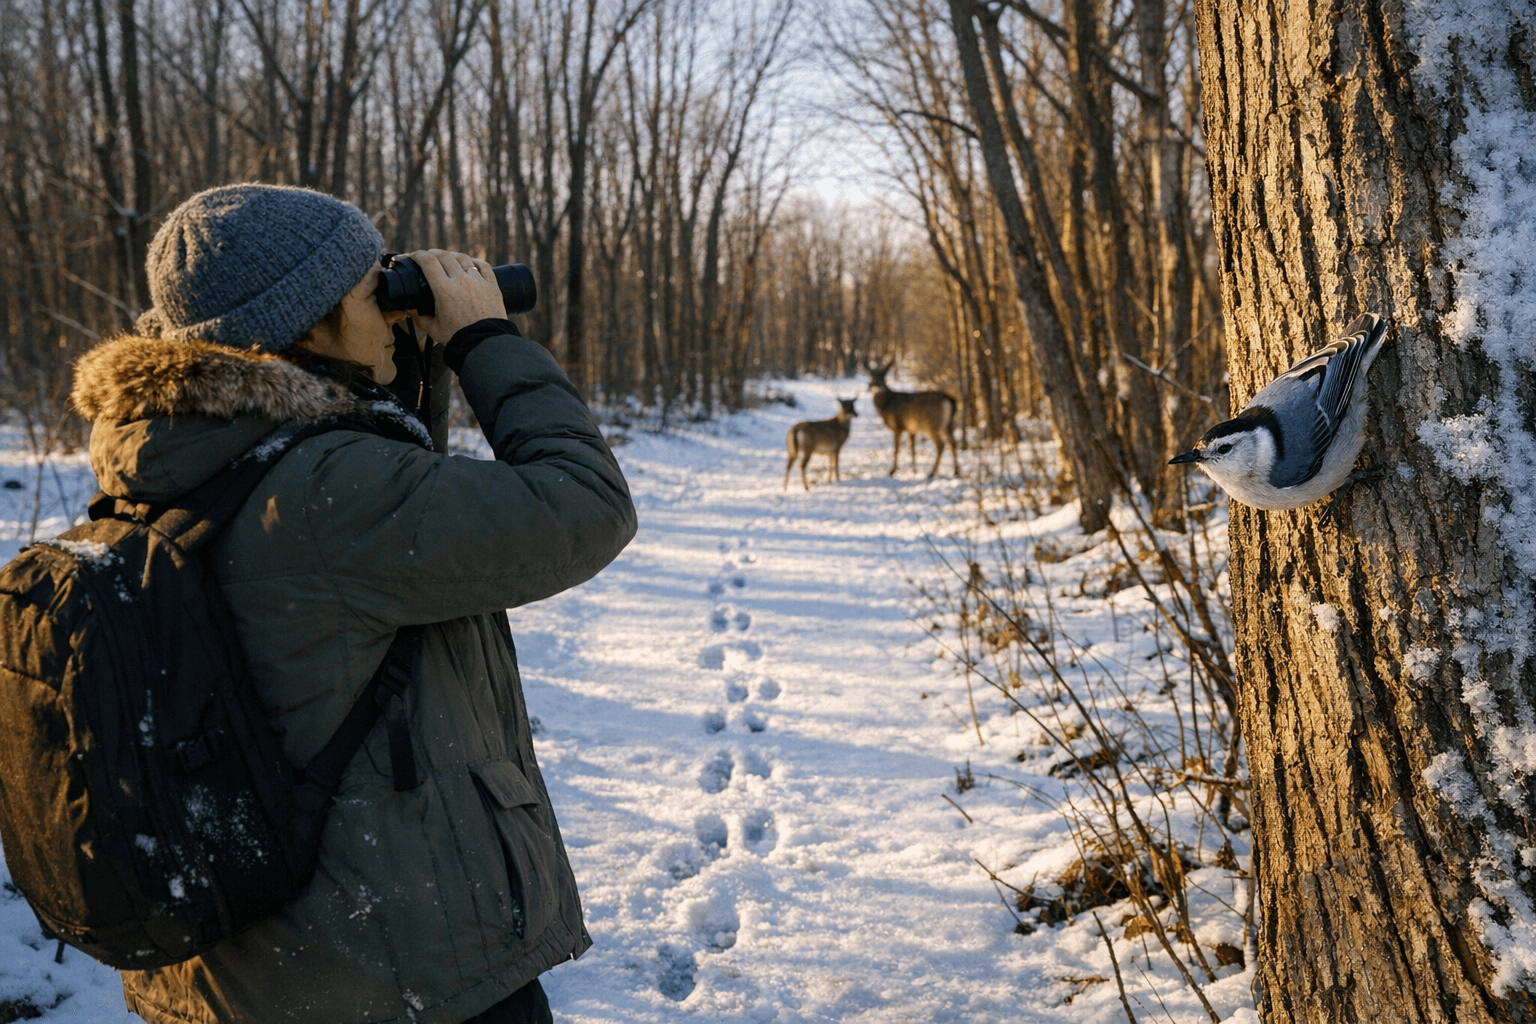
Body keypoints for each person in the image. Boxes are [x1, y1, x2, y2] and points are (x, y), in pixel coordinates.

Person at [69, 183, 637, 1024]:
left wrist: (396, 380)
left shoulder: (185, 460)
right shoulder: (326, 492)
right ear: (313, 321)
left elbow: (402, 528)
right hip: (395, 974)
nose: (392, 307)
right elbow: (586, 507)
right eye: (375, 289)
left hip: (240, 978)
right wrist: (482, 338)